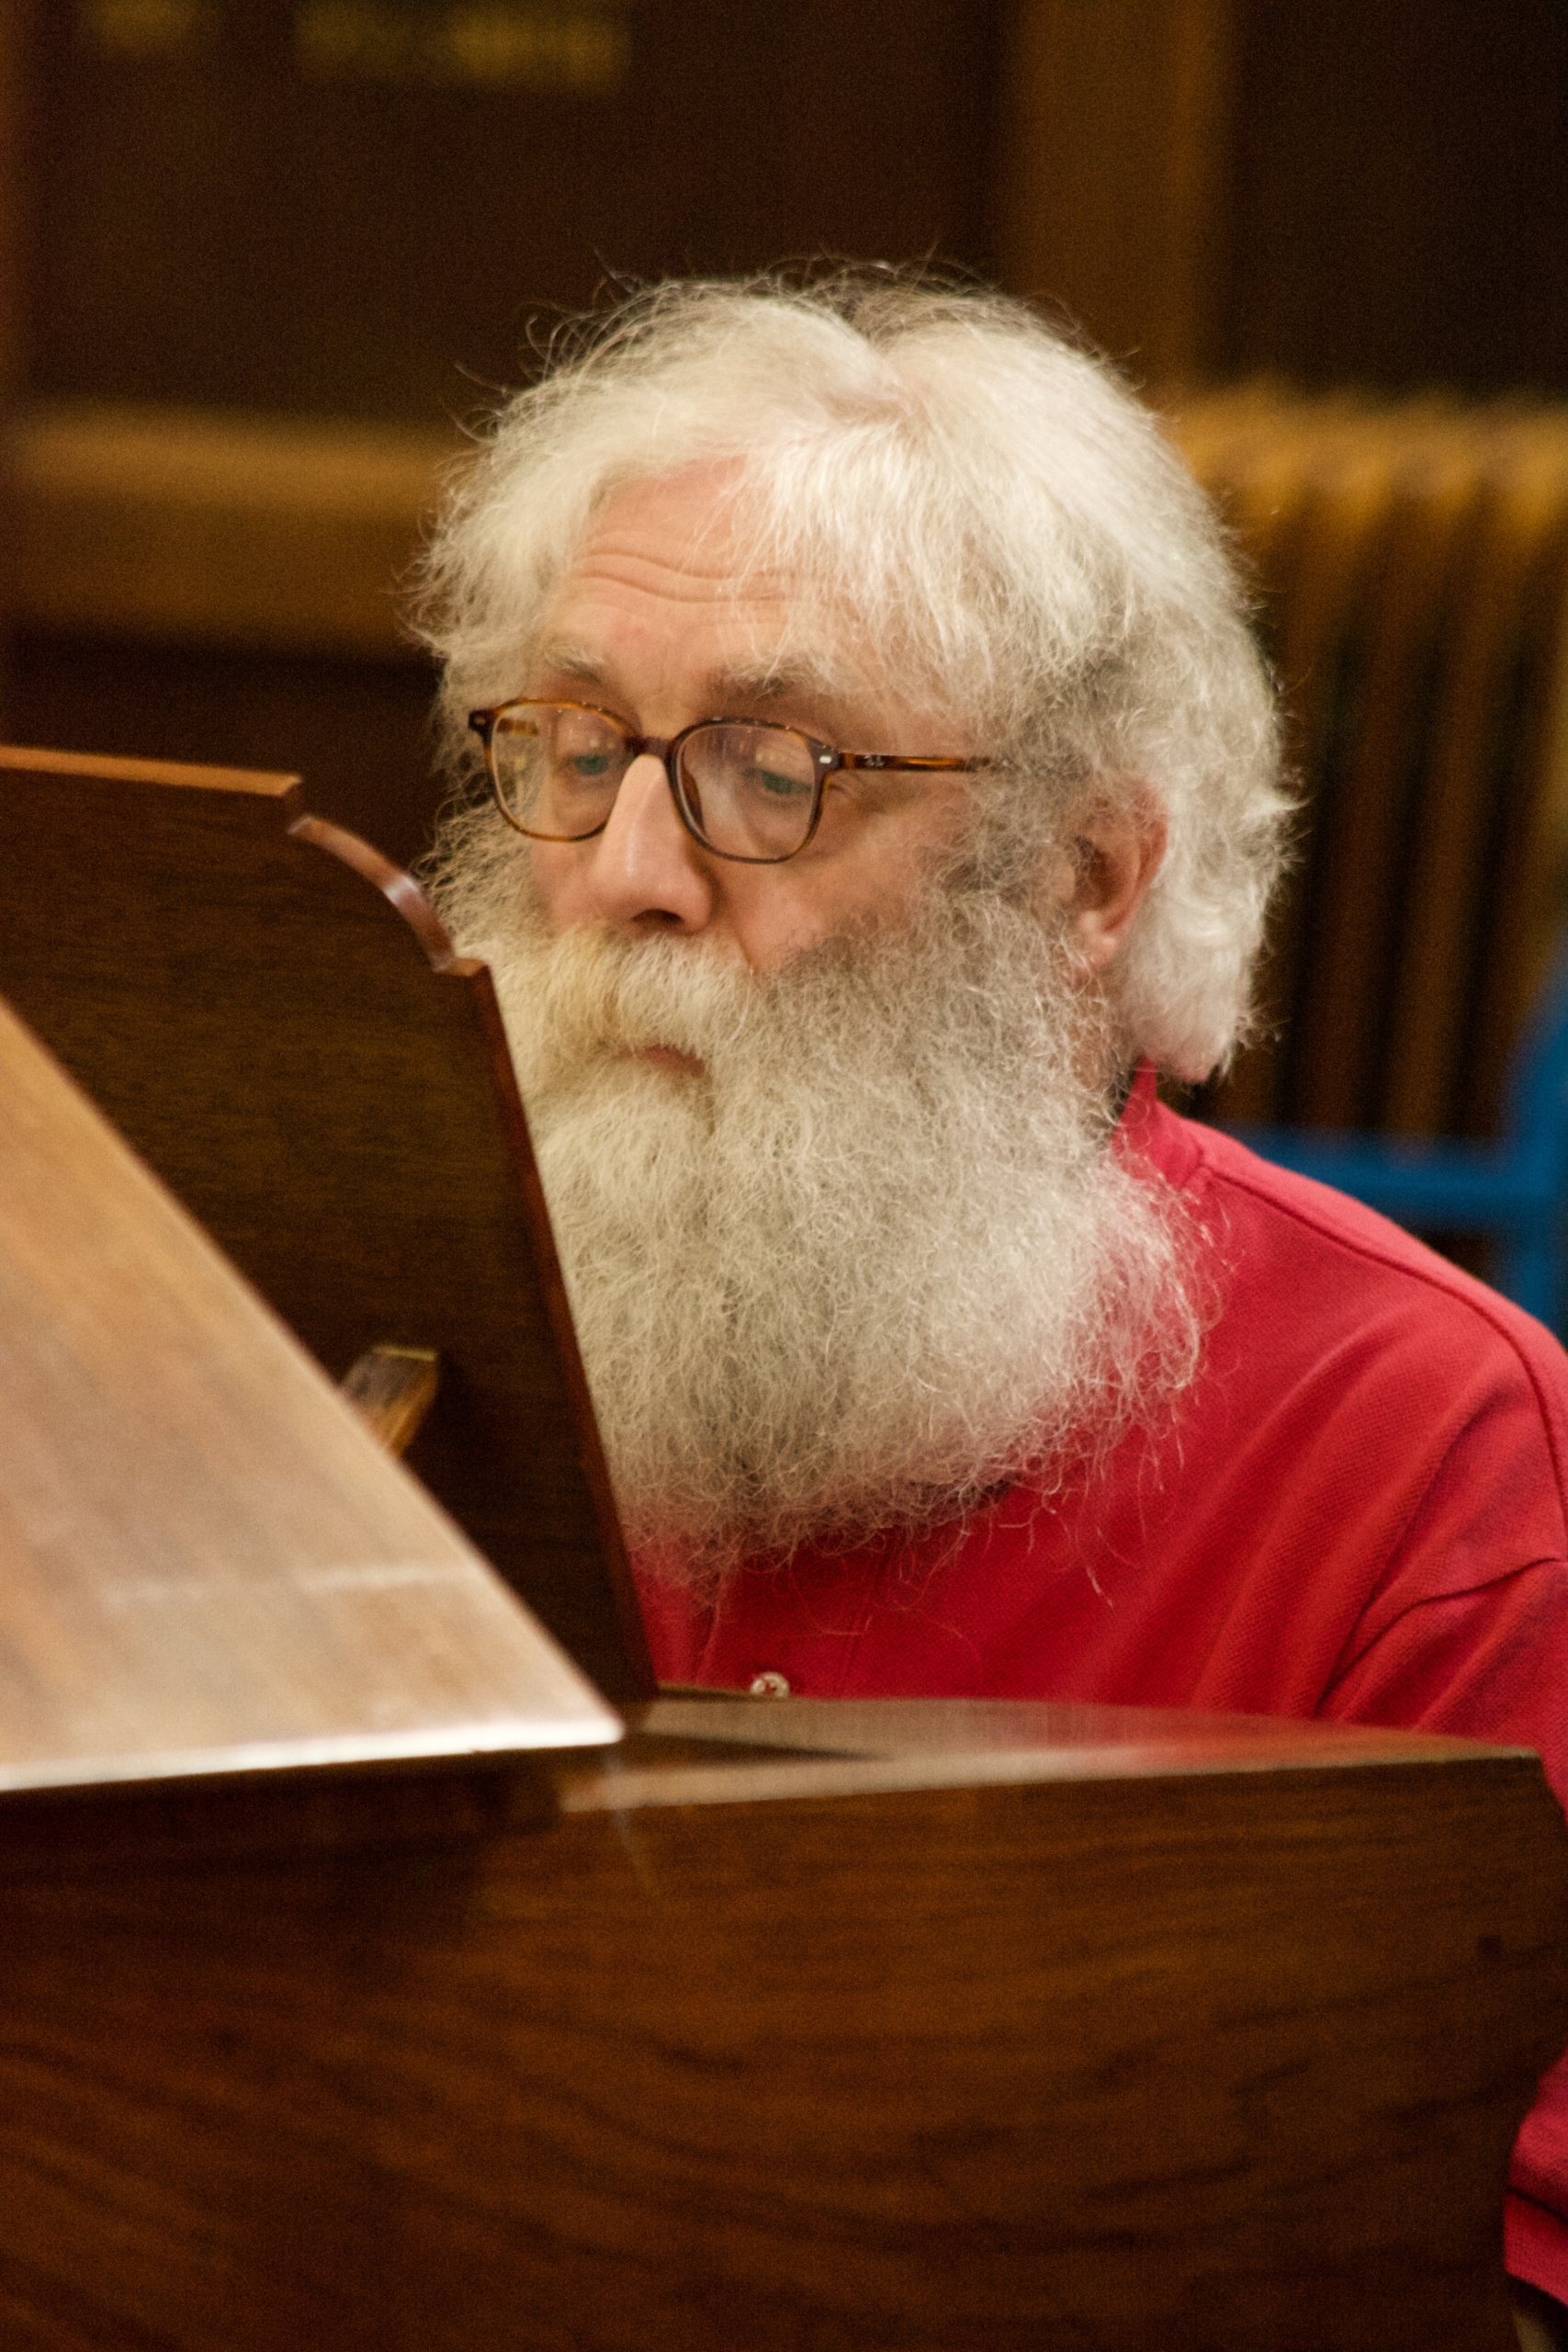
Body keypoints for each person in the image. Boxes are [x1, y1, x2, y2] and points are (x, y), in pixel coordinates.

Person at [412, 268, 1568, 2335]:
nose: (627, 871)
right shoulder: (398, 1320)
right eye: (578, 746)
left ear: (1083, 877)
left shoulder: (1432, 1458)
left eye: (774, 769)